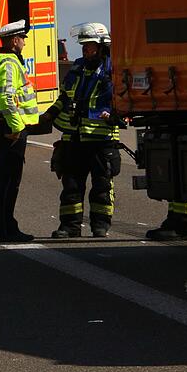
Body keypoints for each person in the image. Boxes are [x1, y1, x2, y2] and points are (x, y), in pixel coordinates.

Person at [40, 22, 120, 238]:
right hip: (73, 137)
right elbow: (64, 98)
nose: (85, 50)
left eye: (90, 46)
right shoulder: (76, 69)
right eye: (83, 46)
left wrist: (113, 114)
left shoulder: (114, 70)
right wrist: (50, 114)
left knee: (102, 186)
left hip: (102, 139)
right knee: (71, 186)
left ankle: (100, 226)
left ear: (102, 47)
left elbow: (121, 100)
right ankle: (69, 226)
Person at [0, 19, 38, 243]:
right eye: (22, 39)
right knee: (8, 180)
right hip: (10, 126)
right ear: (14, 40)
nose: (24, 42)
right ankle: (6, 230)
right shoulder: (10, 63)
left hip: (0, 122)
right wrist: (16, 127)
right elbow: (6, 96)